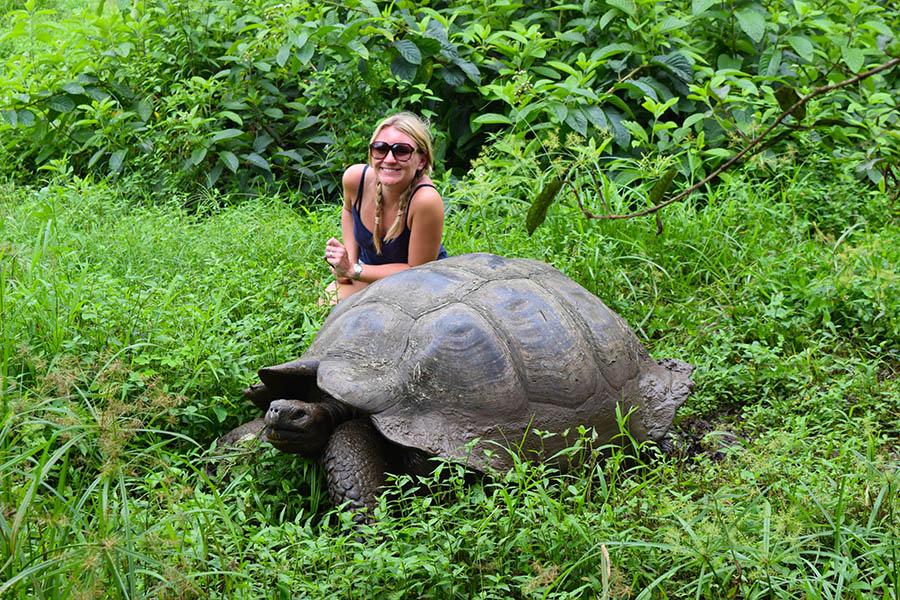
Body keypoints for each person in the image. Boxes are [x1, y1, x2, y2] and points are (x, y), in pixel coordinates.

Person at [323, 112, 448, 302]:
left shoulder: (425, 201)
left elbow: (417, 273)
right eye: (380, 149)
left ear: (421, 160)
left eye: (402, 151)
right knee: (328, 302)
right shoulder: (355, 179)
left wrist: (353, 270)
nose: (389, 159)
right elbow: (349, 210)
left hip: (417, 283)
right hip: (369, 271)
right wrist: (347, 263)